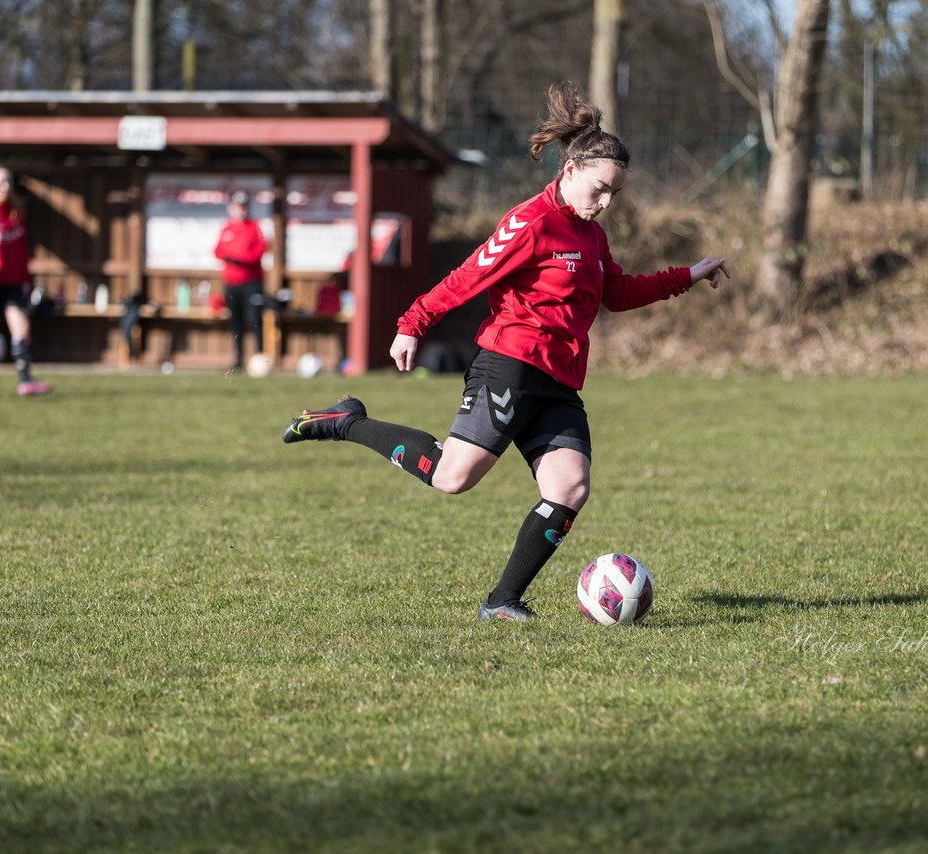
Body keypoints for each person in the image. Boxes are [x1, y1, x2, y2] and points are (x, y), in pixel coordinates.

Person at [281, 82, 731, 621]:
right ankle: (345, 422)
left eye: (615, 194)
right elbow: (468, 277)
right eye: (599, 189)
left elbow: (617, 293)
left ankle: (503, 601)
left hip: (559, 383)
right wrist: (412, 323)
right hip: (510, 367)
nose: (606, 203)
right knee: (452, 477)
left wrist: (685, 275)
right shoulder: (531, 222)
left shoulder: (592, 236)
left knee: (570, 487)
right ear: (569, 171)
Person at [0, 163, 51, 397]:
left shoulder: (16, 213)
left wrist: (24, 278)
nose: (5, 187)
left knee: (22, 327)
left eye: (8, 182)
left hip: (13, 282)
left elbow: (20, 251)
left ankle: (25, 382)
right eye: (0, 182)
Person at [214, 189, 268, 371]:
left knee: (255, 320)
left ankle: (260, 358)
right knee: (235, 322)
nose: (241, 211)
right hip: (232, 284)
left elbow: (258, 252)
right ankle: (238, 359)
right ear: (231, 208)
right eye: (238, 207)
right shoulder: (227, 228)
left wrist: (238, 258)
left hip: (251, 283)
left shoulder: (254, 227)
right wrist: (234, 257)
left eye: (244, 207)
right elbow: (218, 251)